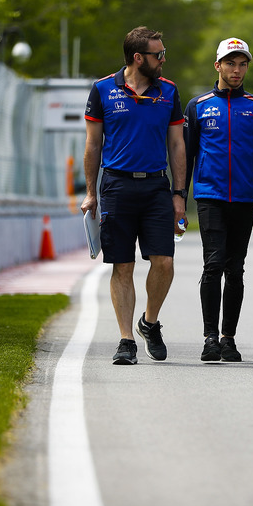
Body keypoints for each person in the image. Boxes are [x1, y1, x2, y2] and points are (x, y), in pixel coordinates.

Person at [82, 26, 188, 365]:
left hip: (156, 187)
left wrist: (179, 194)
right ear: (138, 57)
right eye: (158, 55)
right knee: (122, 265)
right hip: (116, 186)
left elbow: (176, 145)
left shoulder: (169, 91)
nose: (163, 60)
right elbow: (93, 144)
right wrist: (90, 193)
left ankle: (150, 322)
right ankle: (126, 340)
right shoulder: (102, 89)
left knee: (164, 262)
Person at [183, 37, 253, 362]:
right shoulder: (198, 106)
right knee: (213, 265)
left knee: (235, 269)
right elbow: (186, 155)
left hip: (243, 198)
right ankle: (210, 338)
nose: (236, 70)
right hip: (209, 196)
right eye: (230, 63)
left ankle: (229, 338)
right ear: (218, 65)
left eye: (242, 64)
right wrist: (179, 197)